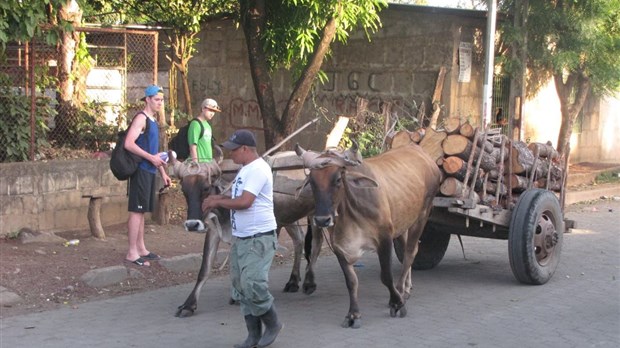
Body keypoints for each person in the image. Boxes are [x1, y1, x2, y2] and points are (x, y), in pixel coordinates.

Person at [202, 129, 282, 348]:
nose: (231, 154)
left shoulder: (257, 169)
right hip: (243, 238)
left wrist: (217, 203)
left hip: (259, 238)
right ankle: (253, 335)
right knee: (240, 287)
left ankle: (273, 323)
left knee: (253, 284)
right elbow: (236, 195)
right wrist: (218, 196)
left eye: (234, 150)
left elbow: (245, 201)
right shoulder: (245, 169)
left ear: (246, 149)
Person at [123, 85, 172, 266]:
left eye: (161, 99)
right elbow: (129, 143)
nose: (160, 103)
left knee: (142, 211)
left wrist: (163, 172)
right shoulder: (141, 118)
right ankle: (131, 252)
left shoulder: (153, 121)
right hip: (141, 170)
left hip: (150, 170)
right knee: (136, 210)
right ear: (148, 99)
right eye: (157, 99)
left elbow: (154, 152)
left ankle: (141, 248)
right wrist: (151, 158)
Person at [188, 98, 221, 163]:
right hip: (199, 164)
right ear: (203, 109)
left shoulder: (207, 125)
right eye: (210, 110)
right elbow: (192, 147)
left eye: (214, 111)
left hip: (208, 163)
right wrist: (196, 165)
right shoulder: (195, 124)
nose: (212, 113)